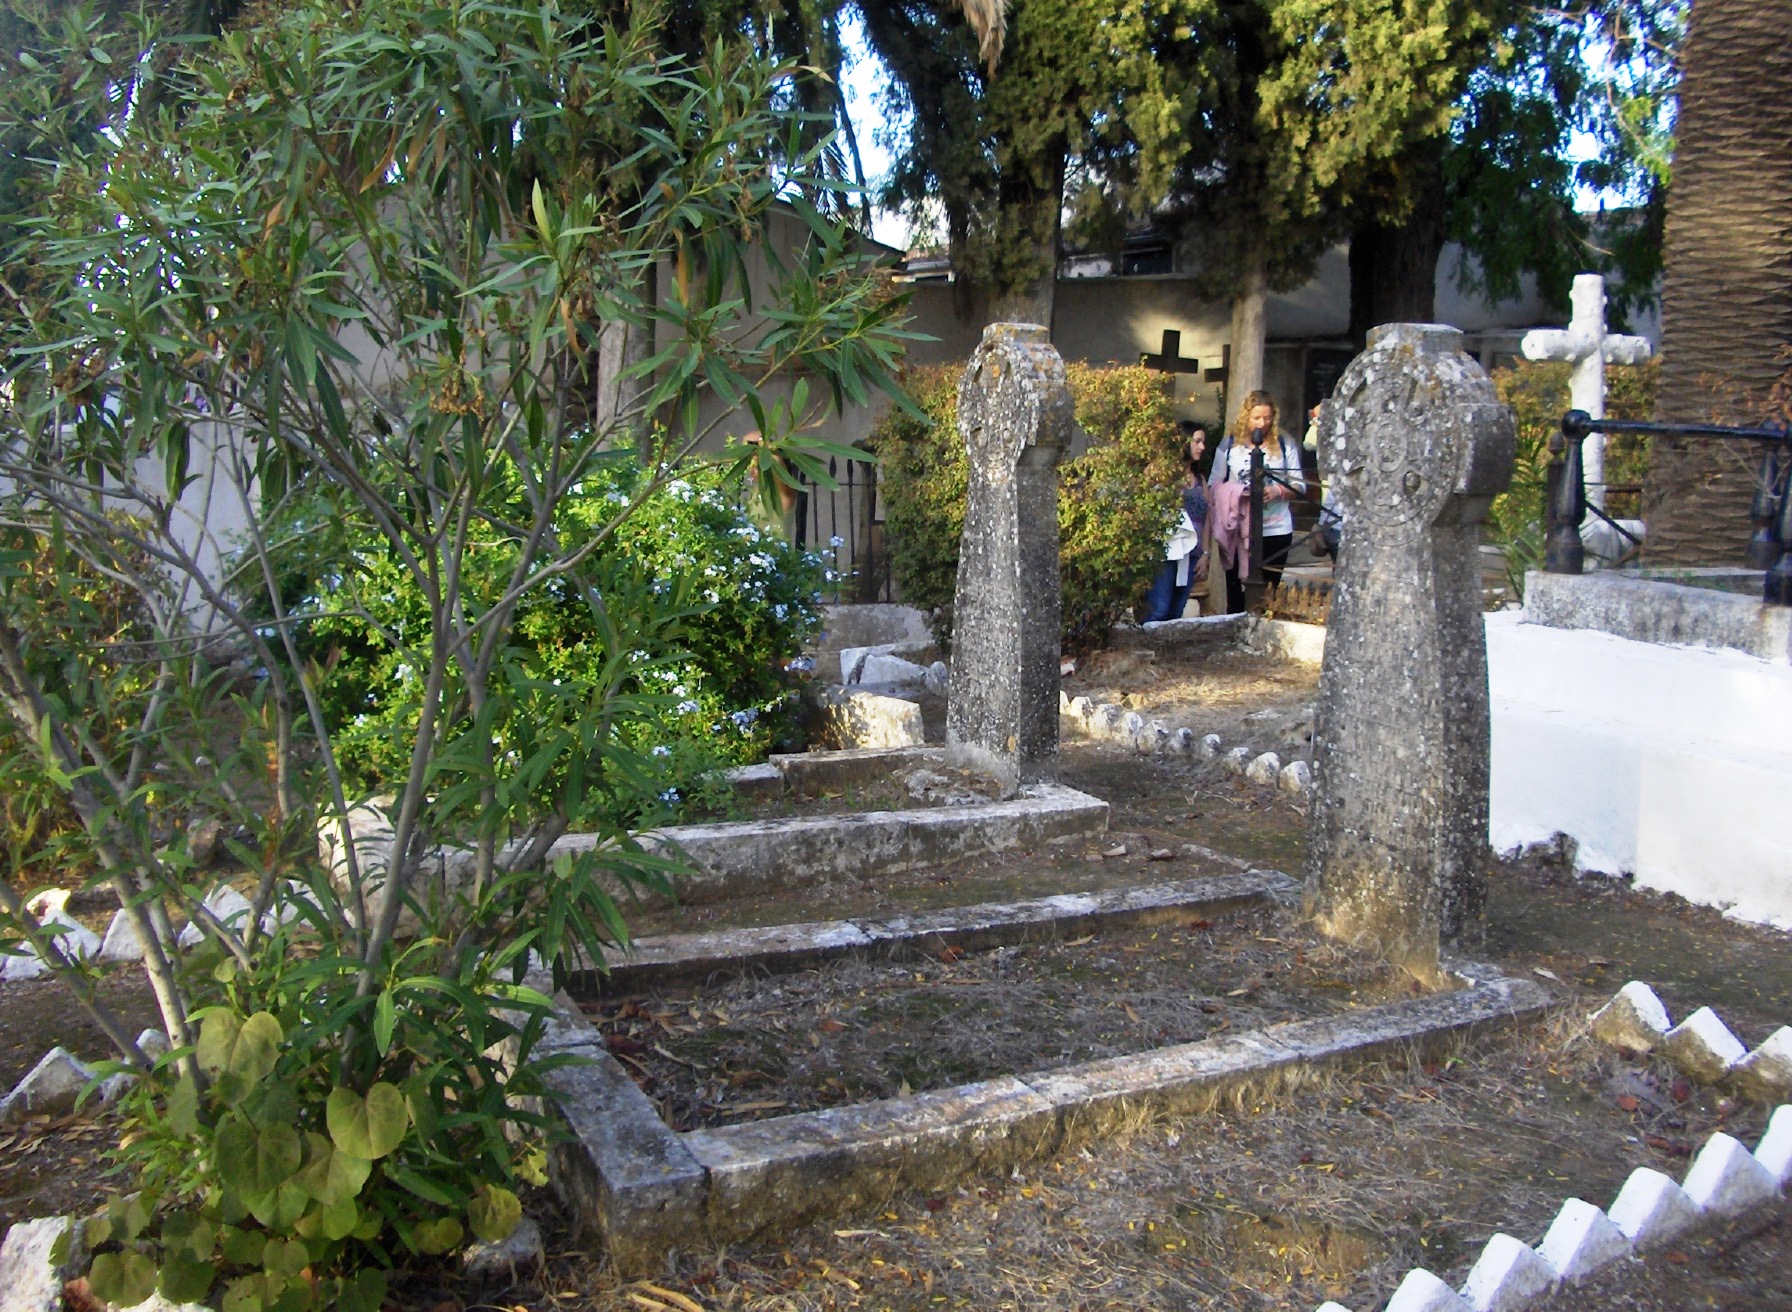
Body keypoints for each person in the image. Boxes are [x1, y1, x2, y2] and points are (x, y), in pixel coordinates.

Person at [1208, 389, 1305, 614]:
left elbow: (1300, 485)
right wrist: (1238, 493)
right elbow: (1214, 484)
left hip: (1275, 527)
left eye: (1267, 418)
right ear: (1246, 417)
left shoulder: (1284, 443)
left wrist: (1279, 491)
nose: (1263, 423)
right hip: (1238, 528)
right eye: (1257, 418)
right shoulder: (1230, 444)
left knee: (1268, 593)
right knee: (1236, 593)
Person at [1141, 426, 1209, 622]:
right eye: (1197, 441)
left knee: (1176, 610)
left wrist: (1206, 553)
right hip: (1167, 550)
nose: (1202, 447)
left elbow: (1207, 518)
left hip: (1192, 553)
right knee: (1159, 608)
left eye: (1203, 442)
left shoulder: (1199, 479)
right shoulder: (1161, 472)